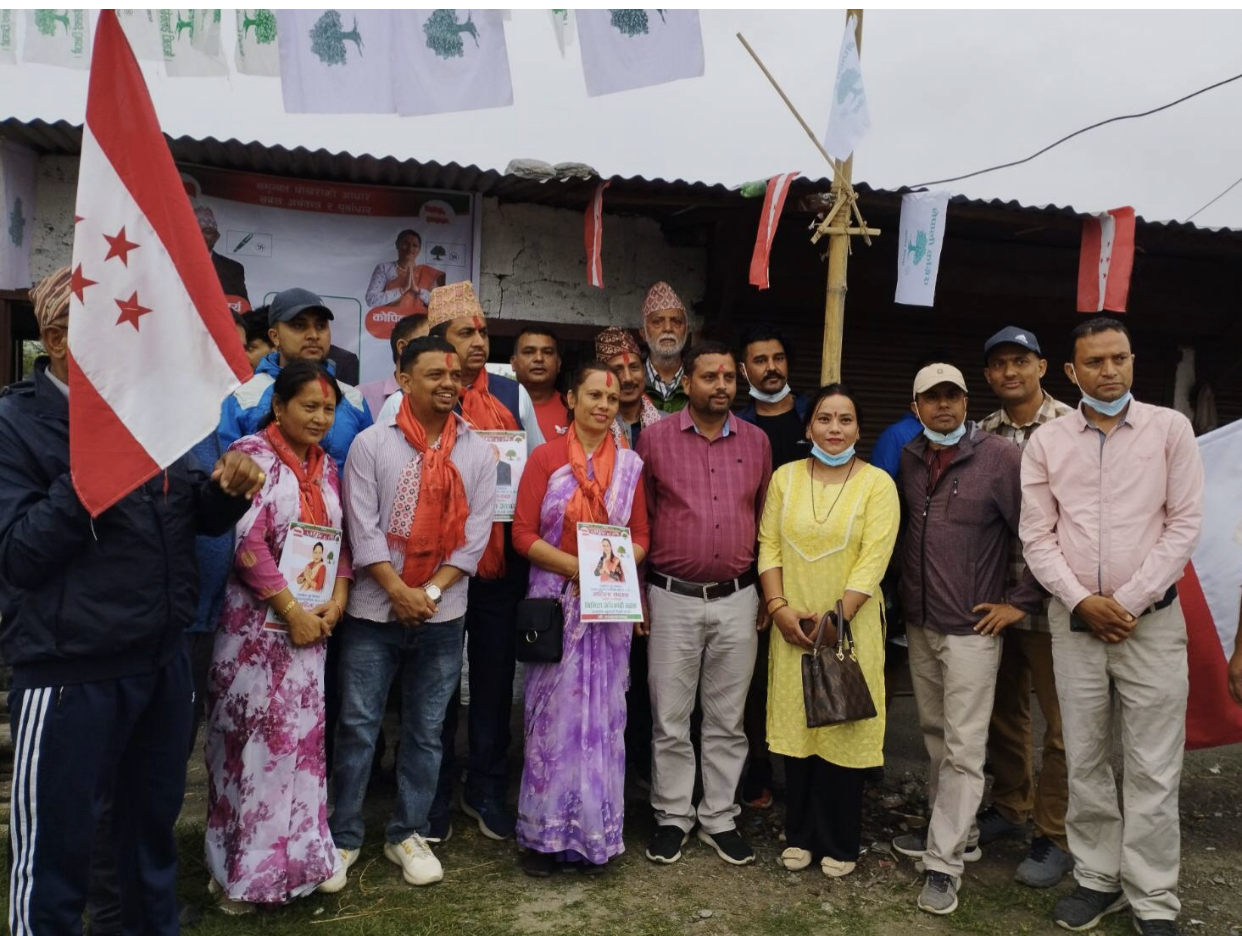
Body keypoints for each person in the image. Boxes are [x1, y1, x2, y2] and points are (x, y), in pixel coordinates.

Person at [0, 267, 264, 936]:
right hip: (69, 672)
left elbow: (186, 516)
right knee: (55, 858)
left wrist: (225, 493)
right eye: (116, 327)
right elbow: (20, 554)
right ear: (57, 340)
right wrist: (93, 467)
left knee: (147, 849)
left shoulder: (151, 411)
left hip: (160, 662)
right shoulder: (13, 423)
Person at [1021, 318, 1204, 936]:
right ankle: (1098, 878)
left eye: (1119, 358)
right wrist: (1081, 602)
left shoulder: (1170, 430)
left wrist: (1125, 602)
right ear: (1071, 371)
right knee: (1085, 756)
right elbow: (1036, 535)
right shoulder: (1048, 442)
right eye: (1095, 362)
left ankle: (1153, 897)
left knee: (1154, 764)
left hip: (1150, 624)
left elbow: (1184, 524)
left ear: (1132, 361)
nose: (1109, 371)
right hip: (1075, 624)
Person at [325, 336, 498, 891]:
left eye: (455, 376)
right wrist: (398, 591)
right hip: (373, 612)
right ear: (403, 379)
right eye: (434, 375)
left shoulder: (478, 451)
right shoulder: (371, 444)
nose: (449, 384)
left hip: (442, 616)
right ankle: (343, 835)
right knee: (357, 726)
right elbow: (362, 528)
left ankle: (407, 832)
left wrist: (429, 594)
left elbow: (474, 540)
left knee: (426, 731)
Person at [890, 362, 1044, 917]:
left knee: (963, 747)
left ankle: (944, 862)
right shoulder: (911, 458)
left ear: (965, 401)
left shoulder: (999, 458)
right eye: (932, 398)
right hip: (921, 622)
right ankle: (959, 831)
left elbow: (1041, 531)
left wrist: (1020, 601)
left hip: (973, 629)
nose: (943, 406)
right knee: (936, 736)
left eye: (952, 396)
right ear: (916, 408)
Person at [205, 361, 354, 913]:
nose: (320, 418)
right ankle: (241, 875)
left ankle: (298, 867)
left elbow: (340, 541)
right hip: (255, 632)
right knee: (253, 748)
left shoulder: (327, 467)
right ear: (278, 406)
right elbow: (247, 544)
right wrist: (291, 610)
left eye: (328, 409)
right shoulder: (252, 457)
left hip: (311, 631)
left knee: (302, 746)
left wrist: (338, 597)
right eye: (309, 406)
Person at [636, 341, 772, 867]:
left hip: (738, 597)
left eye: (729, 378)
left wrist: (768, 592)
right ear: (687, 383)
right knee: (670, 717)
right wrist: (639, 594)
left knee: (727, 718)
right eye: (710, 377)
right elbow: (641, 519)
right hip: (671, 597)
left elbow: (766, 522)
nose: (721, 386)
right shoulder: (654, 440)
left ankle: (719, 816)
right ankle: (673, 815)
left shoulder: (757, 442)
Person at [511, 363, 650, 876]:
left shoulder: (629, 466)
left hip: (608, 610)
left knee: (603, 721)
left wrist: (608, 571)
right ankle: (545, 839)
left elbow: (641, 536)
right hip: (555, 606)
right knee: (552, 721)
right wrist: (577, 569)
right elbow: (522, 534)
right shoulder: (546, 458)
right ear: (571, 399)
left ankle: (593, 836)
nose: (603, 405)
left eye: (611, 399)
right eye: (593, 395)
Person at [758, 384, 899, 878]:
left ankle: (840, 841)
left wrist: (838, 619)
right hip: (793, 625)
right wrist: (778, 608)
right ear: (808, 427)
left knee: (843, 725)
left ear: (859, 429)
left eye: (845, 419)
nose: (834, 429)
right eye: (824, 418)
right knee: (799, 729)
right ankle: (799, 835)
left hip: (849, 628)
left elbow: (874, 558)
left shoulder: (878, 484)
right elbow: (768, 546)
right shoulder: (785, 478)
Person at [427, 282, 531, 841]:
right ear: (439, 339)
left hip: (497, 568)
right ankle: (433, 794)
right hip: (435, 568)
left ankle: (486, 788)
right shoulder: (414, 394)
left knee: (493, 681)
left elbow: (530, 477)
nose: (478, 342)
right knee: (436, 686)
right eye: (465, 332)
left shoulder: (513, 395)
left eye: (483, 332)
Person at [974, 326, 1075, 888]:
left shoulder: (1072, 427)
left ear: (1042, 367)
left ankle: (1054, 833)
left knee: (1064, 724)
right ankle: (1012, 805)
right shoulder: (980, 434)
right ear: (988, 375)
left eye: (1020, 360)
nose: (1010, 372)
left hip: (1057, 602)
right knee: (1003, 710)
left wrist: (1029, 598)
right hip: (995, 597)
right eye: (999, 364)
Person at [736, 324, 811, 810]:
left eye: (778, 358)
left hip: (814, 565)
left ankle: (811, 772)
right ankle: (759, 769)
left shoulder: (813, 416)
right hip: (755, 567)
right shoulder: (739, 424)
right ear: (745, 370)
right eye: (760, 360)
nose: (771, 368)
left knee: (812, 667)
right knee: (757, 678)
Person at [220, 287, 373, 468]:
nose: (313, 335)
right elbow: (223, 471)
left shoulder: (354, 399)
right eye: (299, 326)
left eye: (321, 326)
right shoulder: (243, 398)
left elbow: (367, 471)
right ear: (274, 336)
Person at [596, 325, 662, 448]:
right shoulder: (593, 428)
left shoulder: (668, 424)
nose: (628, 378)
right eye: (617, 370)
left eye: (634, 367)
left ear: (644, 371)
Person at [360, 313, 431, 421]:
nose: (438, 349)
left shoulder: (446, 398)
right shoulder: (362, 396)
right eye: (429, 342)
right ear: (402, 347)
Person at [365, 228, 446, 316]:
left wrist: (418, 291)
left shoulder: (427, 273)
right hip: (390, 319)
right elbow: (371, 300)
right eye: (406, 243)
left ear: (419, 249)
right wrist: (401, 290)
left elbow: (441, 306)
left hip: (418, 322)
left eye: (414, 245)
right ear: (397, 245)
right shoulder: (384, 268)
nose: (410, 248)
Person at [511, 324, 568, 444]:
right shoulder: (497, 406)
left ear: (558, 363)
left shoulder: (575, 410)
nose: (539, 358)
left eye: (547, 352)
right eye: (528, 352)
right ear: (514, 363)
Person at [641, 281, 691, 414]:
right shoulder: (632, 382)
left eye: (676, 322)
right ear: (643, 333)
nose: (668, 328)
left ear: (687, 331)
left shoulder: (698, 381)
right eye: (657, 322)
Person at [197, 204, 250, 309]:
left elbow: (243, 308)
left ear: (216, 237)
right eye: (196, 230)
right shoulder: (172, 264)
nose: (201, 236)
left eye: (207, 231)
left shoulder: (233, 269)